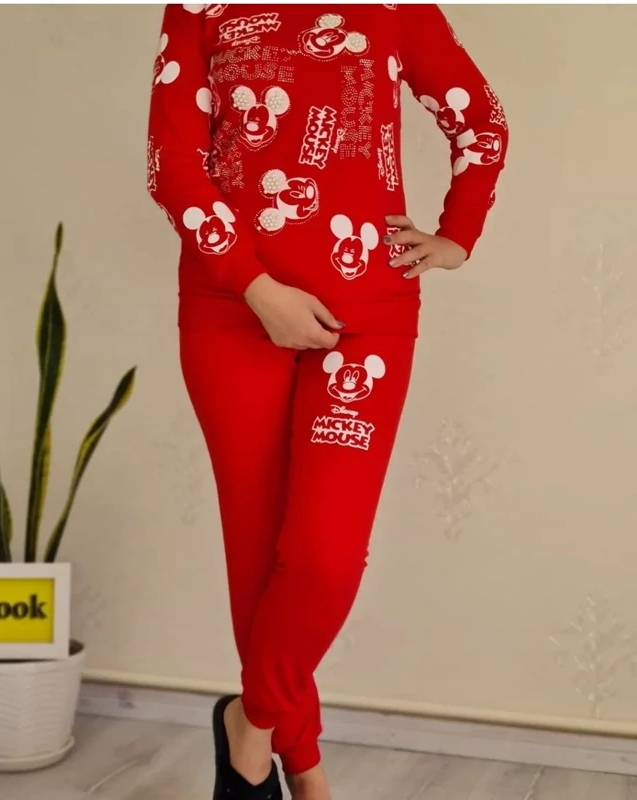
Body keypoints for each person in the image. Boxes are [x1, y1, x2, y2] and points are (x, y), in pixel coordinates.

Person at [146, 4, 508, 799]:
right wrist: (255, 286)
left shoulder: (395, 9)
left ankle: (250, 726)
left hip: (368, 319)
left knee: (323, 558)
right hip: (230, 315)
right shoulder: (199, 9)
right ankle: (304, 770)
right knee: (258, 557)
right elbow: (171, 164)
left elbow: (480, 120)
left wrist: (458, 234)